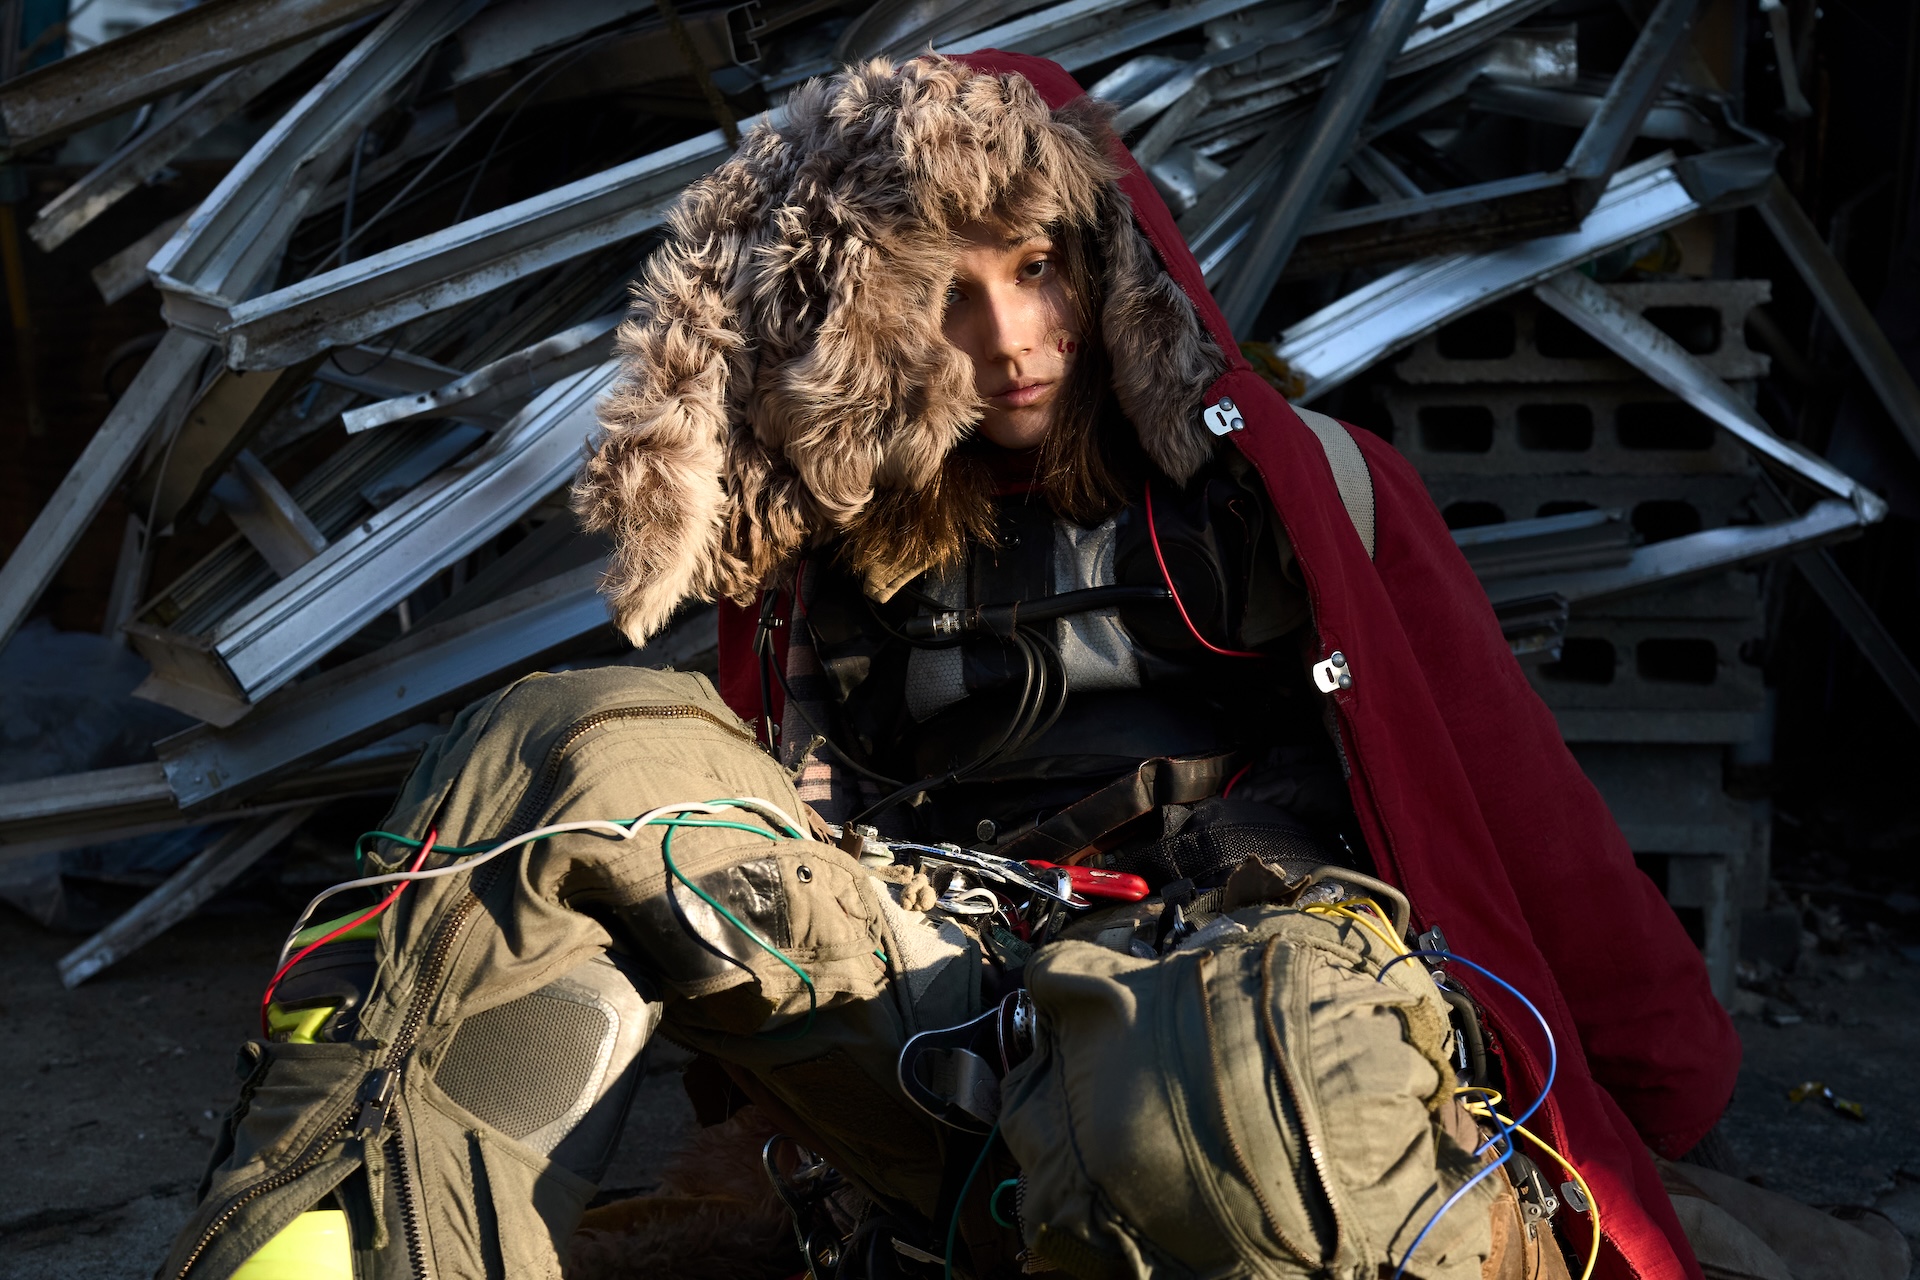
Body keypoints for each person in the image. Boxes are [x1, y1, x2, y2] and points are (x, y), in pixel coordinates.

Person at [180, 50, 1915, 1280]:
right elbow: (770, 819)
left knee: (1224, 1098)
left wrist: (1655, 1101)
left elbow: (1515, 812)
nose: (1010, 339)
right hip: (934, 1004)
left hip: (1251, 1021)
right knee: (557, 753)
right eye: (946, 291)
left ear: (1110, 259)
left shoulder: (1302, 494)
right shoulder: (824, 537)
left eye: (1040, 271)